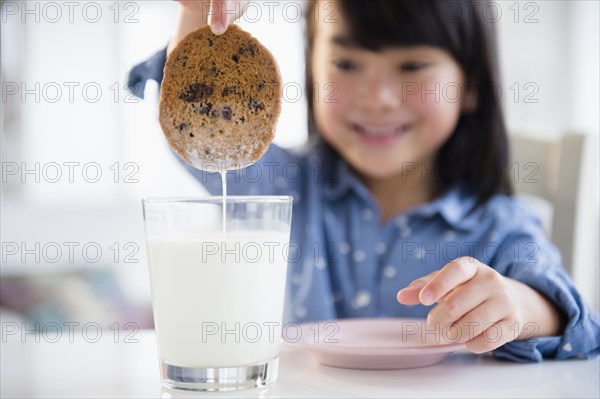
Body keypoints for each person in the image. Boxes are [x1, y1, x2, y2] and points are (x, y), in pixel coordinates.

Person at [128, 0, 600, 362]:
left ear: (470, 85)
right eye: (347, 65)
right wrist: (197, 13)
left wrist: (519, 308)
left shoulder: (498, 226)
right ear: (312, 72)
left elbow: (577, 324)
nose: (377, 98)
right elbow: (198, 127)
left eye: (412, 67)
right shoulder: (285, 187)